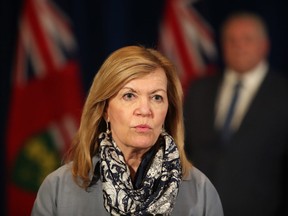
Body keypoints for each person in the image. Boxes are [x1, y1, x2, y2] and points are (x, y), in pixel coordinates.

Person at [31, 45, 223, 215]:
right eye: (129, 96)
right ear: (105, 109)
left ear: (168, 110)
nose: (145, 110)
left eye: (156, 97)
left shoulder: (200, 190)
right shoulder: (59, 189)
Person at [184, 11, 288, 216]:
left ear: (264, 45)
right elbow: (183, 150)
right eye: (231, 40)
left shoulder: (283, 94)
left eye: (247, 39)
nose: (238, 46)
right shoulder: (198, 89)